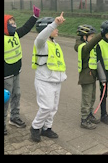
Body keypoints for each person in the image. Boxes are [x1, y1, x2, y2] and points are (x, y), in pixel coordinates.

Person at [30, 12, 67, 142]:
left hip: (56, 81)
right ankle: (35, 127)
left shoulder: (54, 43)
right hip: (44, 80)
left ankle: (47, 128)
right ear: (47, 28)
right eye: (54, 28)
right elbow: (42, 36)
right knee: (46, 107)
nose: (57, 30)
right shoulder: (41, 43)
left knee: (53, 108)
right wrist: (55, 23)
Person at [4, 6, 39, 136]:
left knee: (17, 94)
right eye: (10, 23)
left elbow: (26, 27)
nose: (14, 25)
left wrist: (34, 17)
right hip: (6, 76)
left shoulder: (16, 34)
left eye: (14, 23)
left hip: (16, 71)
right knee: (5, 99)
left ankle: (14, 117)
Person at [75, 24, 105, 129]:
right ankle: (84, 119)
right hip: (86, 77)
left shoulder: (89, 45)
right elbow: (89, 46)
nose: (93, 38)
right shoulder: (81, 46)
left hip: (92, 76)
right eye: (91, 36)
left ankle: (90, 114)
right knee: (86, 98)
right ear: (84, 37)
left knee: (92, 97)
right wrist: (101, 35)